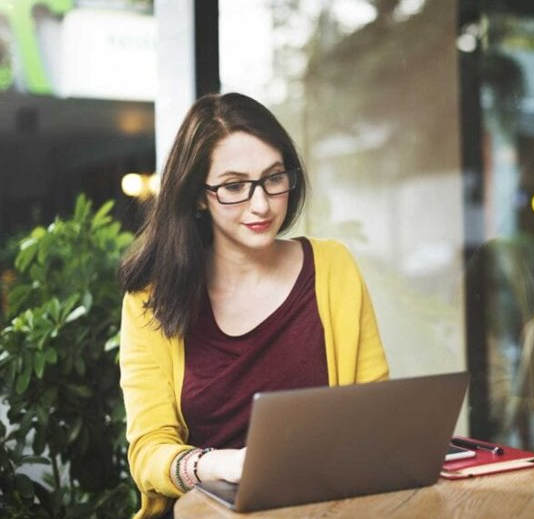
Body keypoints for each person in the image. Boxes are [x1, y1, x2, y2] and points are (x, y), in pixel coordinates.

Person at [118, 92, 389, 519]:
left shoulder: (333, 266)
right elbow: (149, 453)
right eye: (234, 186)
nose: (260, 204)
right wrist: (221, 464)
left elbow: (374, 413)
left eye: (273, 178)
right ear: (197, 196)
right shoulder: (151, 298)